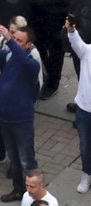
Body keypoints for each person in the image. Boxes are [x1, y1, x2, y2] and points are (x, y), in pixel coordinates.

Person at [0, 23, 40, 203]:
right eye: (14, 39)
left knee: (26, 161)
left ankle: (32, 198)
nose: (14, 43)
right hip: (4, 118)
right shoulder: (9, 57)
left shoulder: (31, 64)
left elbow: (23, 60)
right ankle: (18, 190)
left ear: (28, 45)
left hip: (21, 120)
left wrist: (8, 38)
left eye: (19, 41)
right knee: (14, 160)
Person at [67, 17, 91, 193]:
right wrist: (71, 30)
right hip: (84, 109)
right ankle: (86, 173)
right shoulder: (88, 52)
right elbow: (76, 43)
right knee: (85, 145)